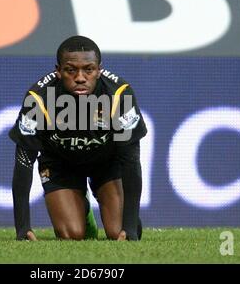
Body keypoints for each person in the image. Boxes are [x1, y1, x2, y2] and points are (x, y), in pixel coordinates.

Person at [9, 35, 147, 241]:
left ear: (99, 70)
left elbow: (131, 162)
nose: (80, 77)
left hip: (107, 163)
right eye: (71, 70)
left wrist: (131, 228)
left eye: (88, 69)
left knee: (118, 231)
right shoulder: (38, 98)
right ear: (58, 71)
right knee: (72, 234)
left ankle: (115, 211)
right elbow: (23, 161)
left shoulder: (119, 95)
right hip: (60, 164)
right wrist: (22, 228)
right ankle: (81, 207)